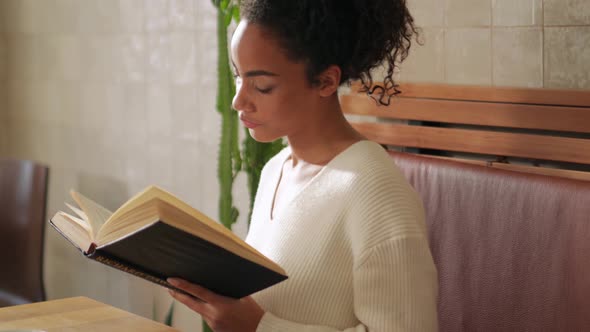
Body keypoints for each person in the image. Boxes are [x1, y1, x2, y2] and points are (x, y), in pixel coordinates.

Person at [167, 0, 438, 331]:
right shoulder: (275, 171)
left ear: (325, 82)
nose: (239, 100)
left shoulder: (377, 193)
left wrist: (260, 327)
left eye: (262, 85)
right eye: (238, 77)